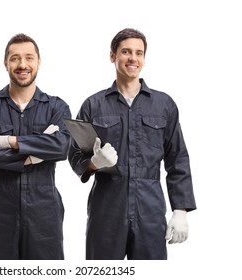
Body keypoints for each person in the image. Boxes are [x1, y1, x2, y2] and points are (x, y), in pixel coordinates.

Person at [68, 28, 196, 260]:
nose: (133, 58)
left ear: (144, 59)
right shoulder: (93, 105)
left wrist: (181, 210)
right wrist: (94, 163)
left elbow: (177, 158)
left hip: (150, 211)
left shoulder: (164, 105)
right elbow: (75, 153)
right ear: (112, 56)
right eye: (126, 51)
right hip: (106, 210)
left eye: (139, 53)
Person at [0, 33, 71, 260]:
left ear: (38, 62)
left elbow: (61, 147)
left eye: (29, 58)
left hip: (44, 212)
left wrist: (10, 141)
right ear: (5, 63)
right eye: (15, 58)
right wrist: (30, 157)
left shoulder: (56, 107)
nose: (22, 65)